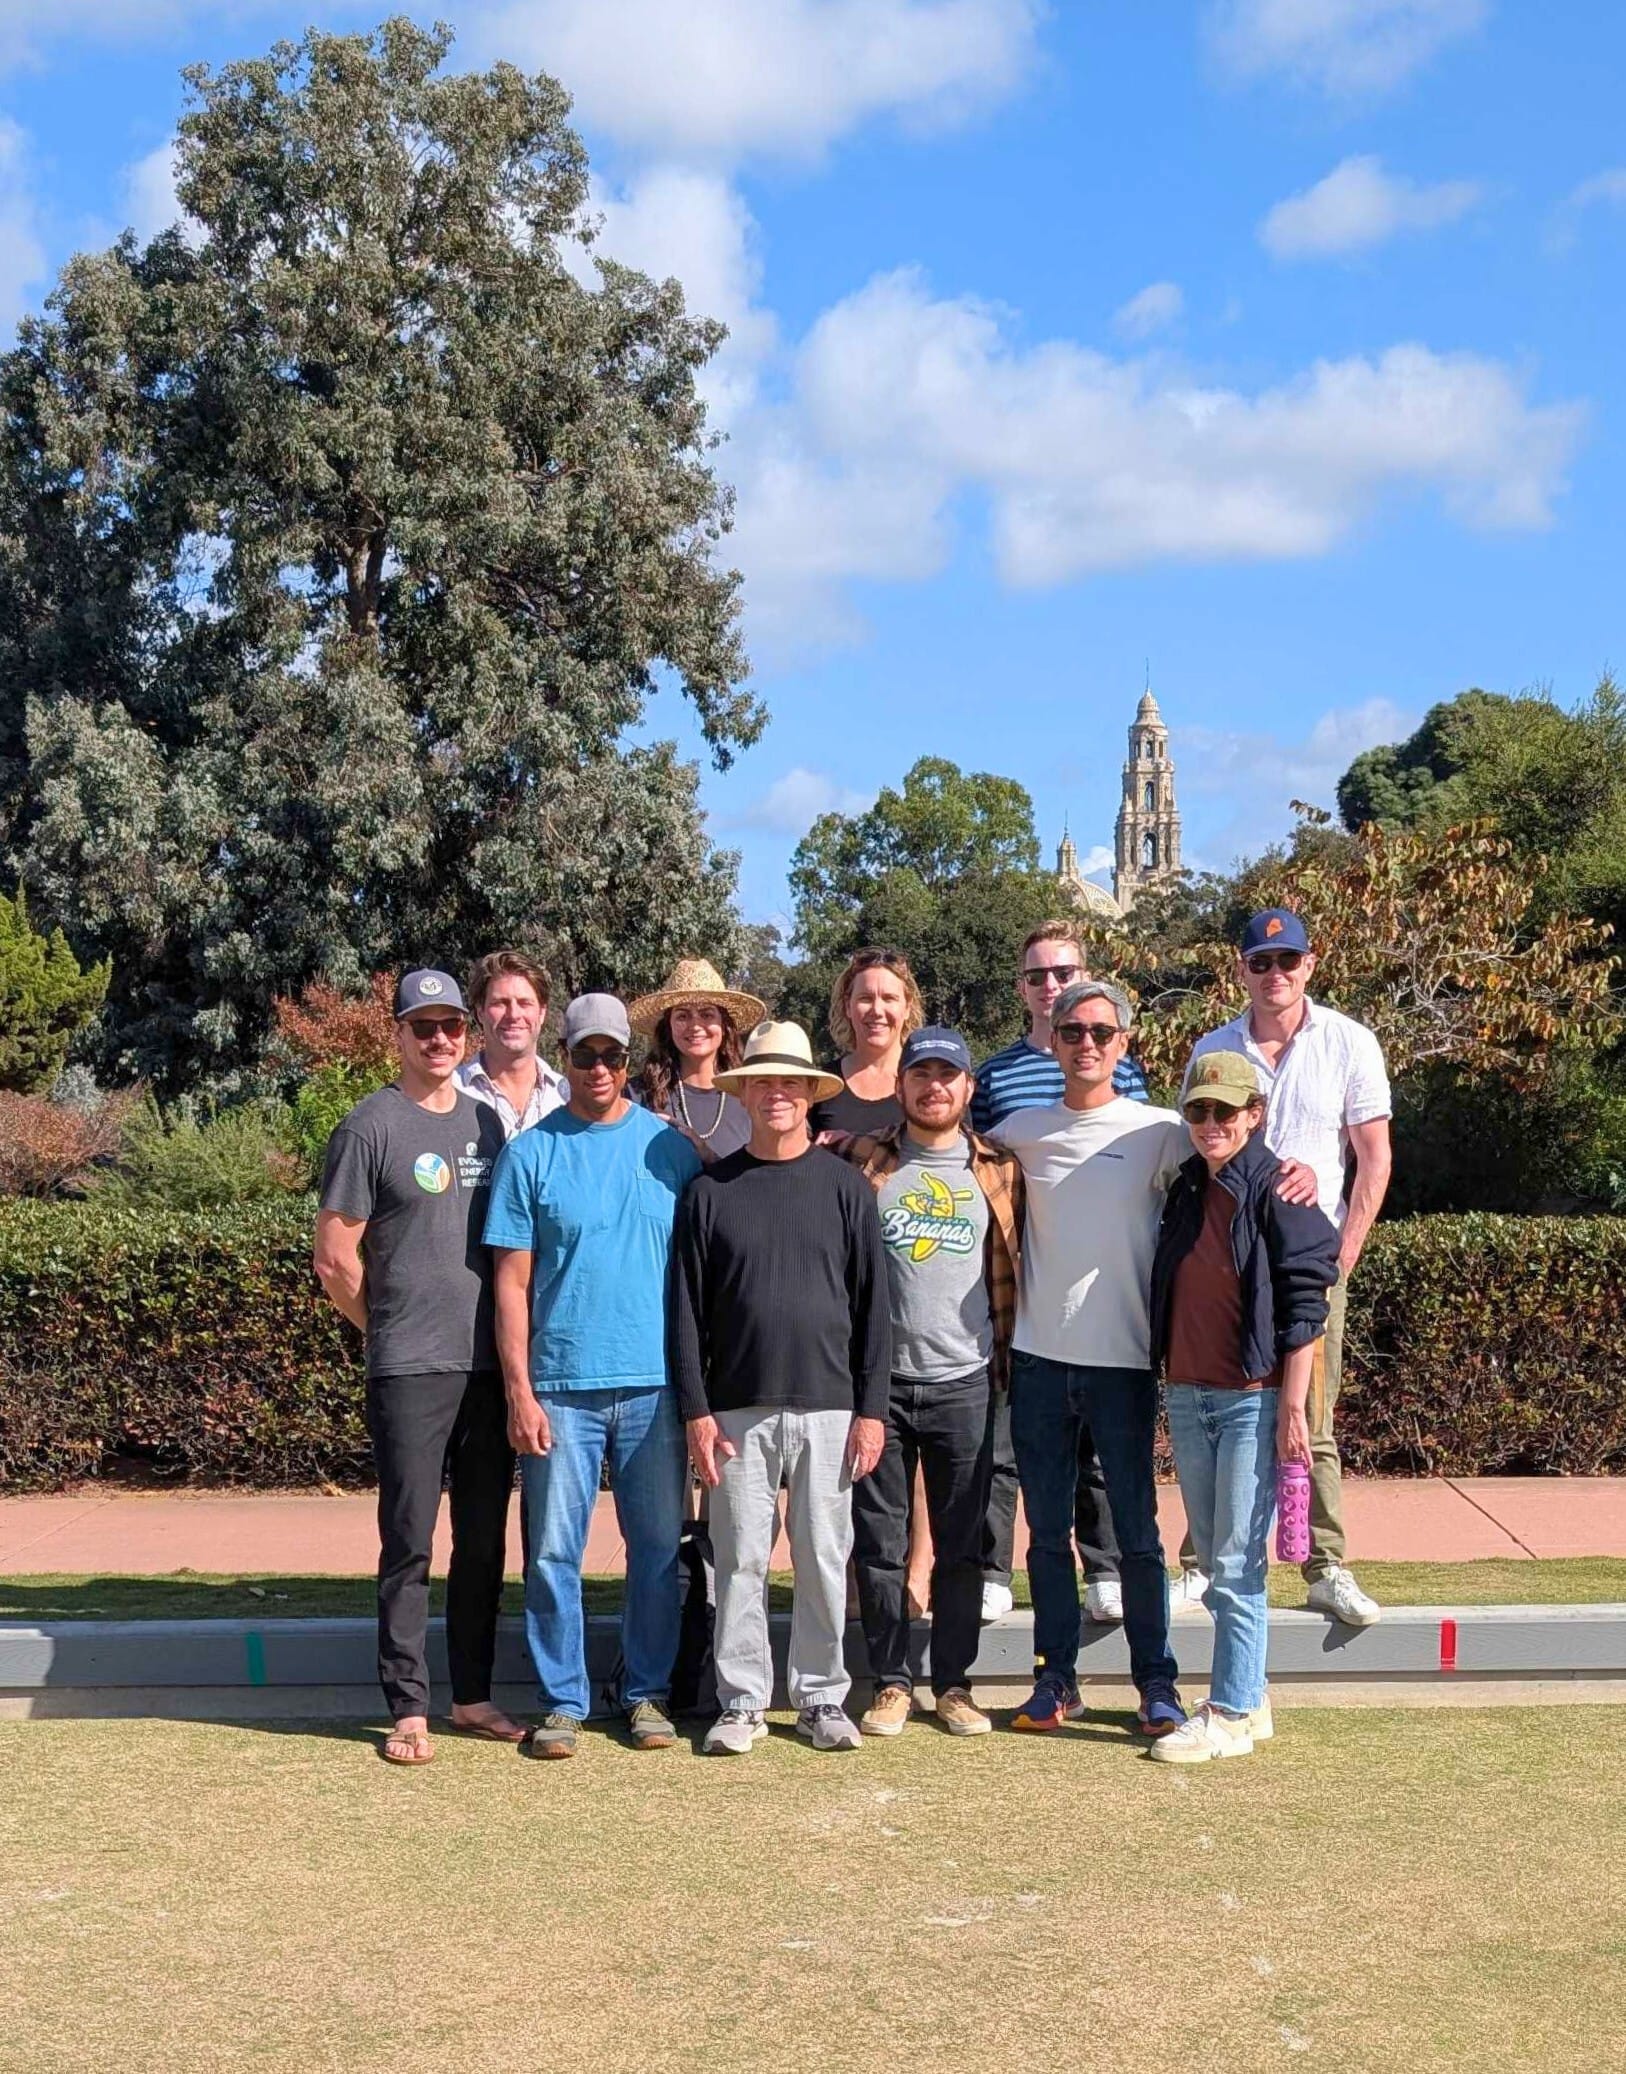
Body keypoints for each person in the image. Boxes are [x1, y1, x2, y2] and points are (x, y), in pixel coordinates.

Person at [484, 993, 702, 1759]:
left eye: (612, 1055)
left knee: (657, 1552)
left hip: (655, 1387)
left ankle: (646, 1694)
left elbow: (699, 1275)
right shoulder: (530, 1154)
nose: (600, 1068)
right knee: (552, 1553)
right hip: (559, 1389)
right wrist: (520, 1391)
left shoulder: (670, 1150)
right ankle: (563, 1702)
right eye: (586, 1054)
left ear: (628, 1059)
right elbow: (511, 1284)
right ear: (565, 1057)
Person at [669, 1019, 891, 1755]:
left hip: (831, 1406)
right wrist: (697, 1411)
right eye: (763, 1081)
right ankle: (741, 1703)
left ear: (808, 1092)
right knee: (739, 1559)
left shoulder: (846, 1188)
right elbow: (686, 1312)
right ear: (745, 1091)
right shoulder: (709, 1192)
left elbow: (874, 1308)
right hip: (736, 1408)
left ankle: (822, 1697)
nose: (777, 1093)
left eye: (790, 1082)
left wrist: (872, 1409)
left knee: (824, 1556)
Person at [313, 969, 515, 1765]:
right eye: (421, 1026)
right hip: (409, 1369)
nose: (438, 1039)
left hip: (488, 1370)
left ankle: (471, 1697)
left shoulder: (488, 1124)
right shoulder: (369, 1126)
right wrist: (386, 1326)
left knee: (483, 1542)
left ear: (467, 1033)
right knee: (408, 1541)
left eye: (450, 1026)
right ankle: (408, 1708)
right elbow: (335, 1259)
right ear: (396, 1034)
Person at [989, 978, 1187, 1738]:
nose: (1087, 1045)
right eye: (1072, 1032)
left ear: (1124, 1043)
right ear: (1054, 1040)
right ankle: (1055, 1681)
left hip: (1124, 1365)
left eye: (1102, 1032)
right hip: (1039, 1362)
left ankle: (1156, 1683)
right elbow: (938, 1152)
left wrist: (1292, 1173)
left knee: (1137, 1535)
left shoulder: (1161, 1130)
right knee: (1046, 1538)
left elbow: (1235, 1164)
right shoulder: (1020, 1130)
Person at [1185, 909, 1393, 1628]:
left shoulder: (1348, 1041)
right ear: (1241, 969)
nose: (1274, 973)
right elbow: (1198, 1146)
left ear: (1309, 964)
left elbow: (1373, 1157)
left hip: (1308, 1263)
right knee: (1220, 1412)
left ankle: (1324, 1564)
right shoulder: (1215, 1046)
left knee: (1310, 1419)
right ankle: (1199, 1562)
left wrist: (1343, 1254)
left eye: (1287, 960)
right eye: (1260, 961)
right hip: (1228, 1266)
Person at [1148, 1051, 1340, 1761]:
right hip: (1188, 1394)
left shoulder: (1281, 1187)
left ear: (1254, 1114)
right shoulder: (1186, 1187)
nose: (1211, 1122)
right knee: (1215, 1559)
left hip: (1252, 1401)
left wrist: (1292, 1407)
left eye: (1225, 1110)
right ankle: (1250, 1699)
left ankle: (1228, 1711)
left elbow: (1307, 1302)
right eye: (1198, 1110)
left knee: (1233, 1563)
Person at [841, 1027, 1023, 1738]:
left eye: (949, 1075)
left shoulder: (1000, 1169)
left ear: (969, 1087)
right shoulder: (864, 1159)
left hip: (968, 1381)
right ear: (901, 1084)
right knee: (879, 1544)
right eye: (922, 1074)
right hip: (879, 1385)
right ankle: (890, 1682)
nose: (934, 1086)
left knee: (962, 1545)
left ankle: (952, 1684)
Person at [970, 920, 1148, 1627]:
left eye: (1064, 973)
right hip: (1024, 1293)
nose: (1051, 986)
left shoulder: (1125, 1075)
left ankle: (1103, 1567)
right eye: (1038, 975)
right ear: (1022, 988)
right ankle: (993, 1570)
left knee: (1097, 1453)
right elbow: (971, 1158)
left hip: (1108, 1301)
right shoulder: (995, 1076)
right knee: (1008, 1446)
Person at [628, 957, 765, 1161]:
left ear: (724, 1026)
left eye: (706, 1014)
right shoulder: (638, 1095)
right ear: (668, 1027)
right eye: (682, 1016)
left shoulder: (750, 1095)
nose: (695, 1026)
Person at [807, 947, 924, 1140]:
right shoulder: (823, 1084)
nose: (877, 1010)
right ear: (848, 1006)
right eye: (865, 998)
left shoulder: (933, 1083)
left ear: (907, 1007)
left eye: (889, 998)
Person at [457, 948, 567, 1137]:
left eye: (524, 1003)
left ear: (542, 1013)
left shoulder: (566, 1096)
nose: (514, 1015)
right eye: (500, 1003)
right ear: (480, 1012)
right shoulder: (452, 1091)